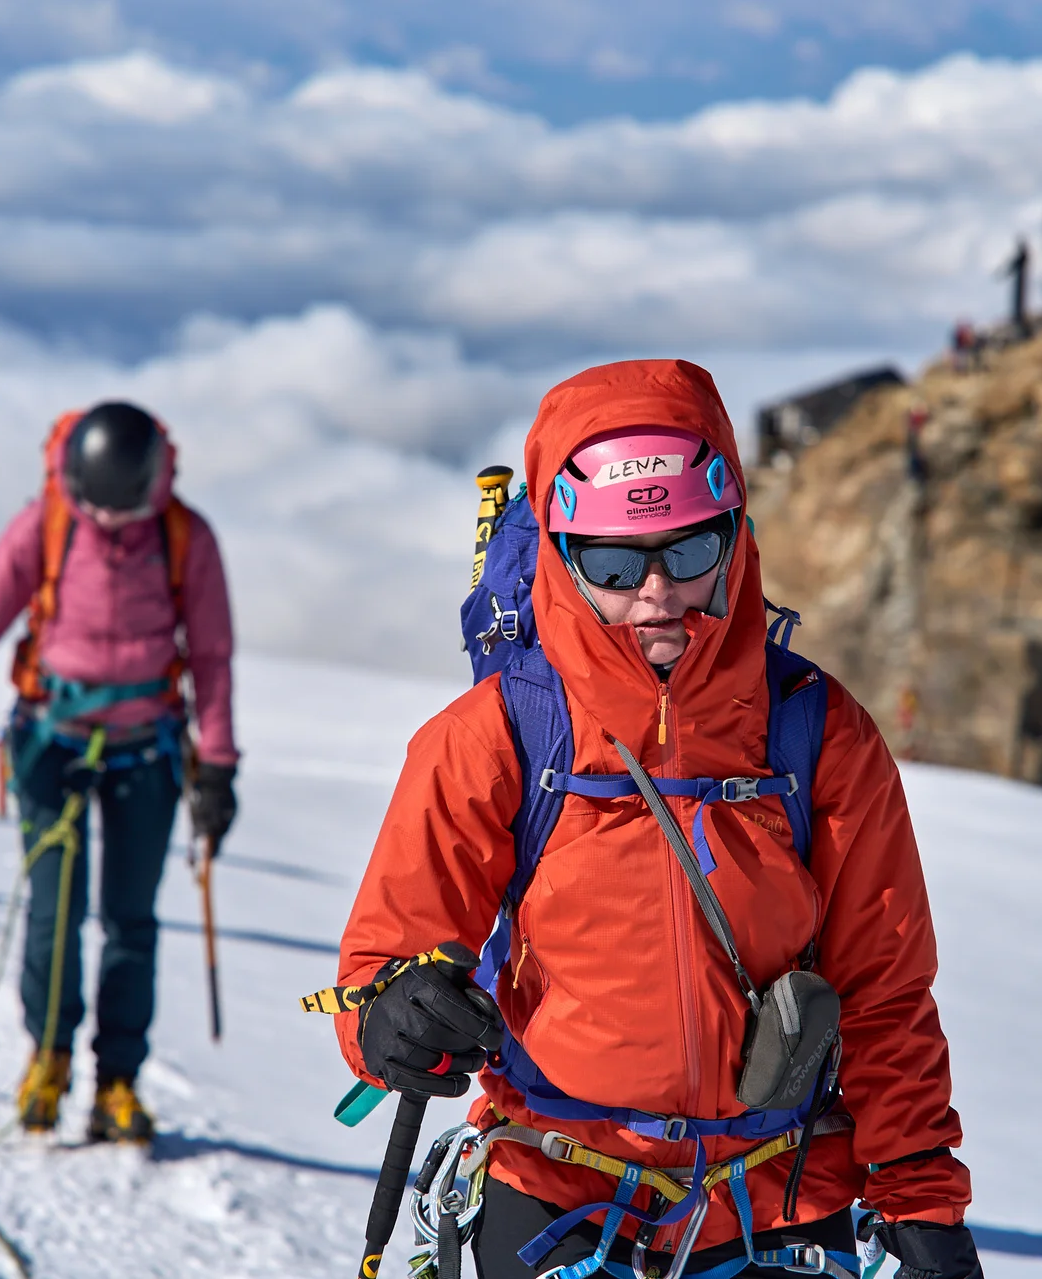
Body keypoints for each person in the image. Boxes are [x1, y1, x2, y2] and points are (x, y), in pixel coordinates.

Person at [332, 361, 982, 1278]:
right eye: (612, 563)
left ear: (734, 534)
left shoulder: (815, 733)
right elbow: (379, 968)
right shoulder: (497, 737)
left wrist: (920, 1199)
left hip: (779, 1194)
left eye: (686, 552)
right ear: (560, 554)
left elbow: (886, 992)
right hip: (559, 1182)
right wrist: (393, 1017)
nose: (656, 594)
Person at [0, 401, 239, 1145]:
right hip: (50, 741)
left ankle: (117, 1081)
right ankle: (50, 1057)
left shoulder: (182, 536)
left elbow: (213, 657)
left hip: (148, 747)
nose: (101, 518)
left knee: (131, 921)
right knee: (54, 911)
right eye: (90, 502)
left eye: (115, 505)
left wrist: (218, 766)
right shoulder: (47, 521)